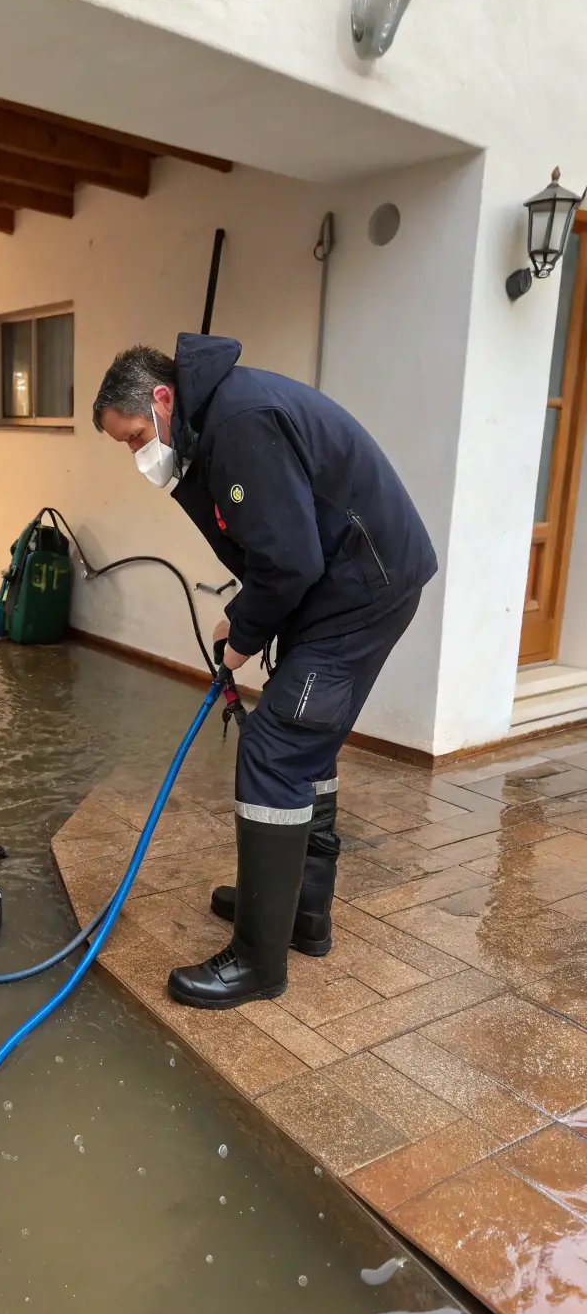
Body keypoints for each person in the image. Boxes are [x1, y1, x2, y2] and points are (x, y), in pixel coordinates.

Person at [93, 335, 437, 1010]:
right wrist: (244, 614)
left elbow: (289, 560)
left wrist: (245, 633)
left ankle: (257, 960)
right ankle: (298, 913)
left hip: (362, 590)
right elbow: (274, 542)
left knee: (277, 747)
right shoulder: (217, 419)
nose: (137, 454)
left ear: (162, 399)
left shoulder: (240, 422)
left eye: (135, 436)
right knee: (302, 737)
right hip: (344, 580)